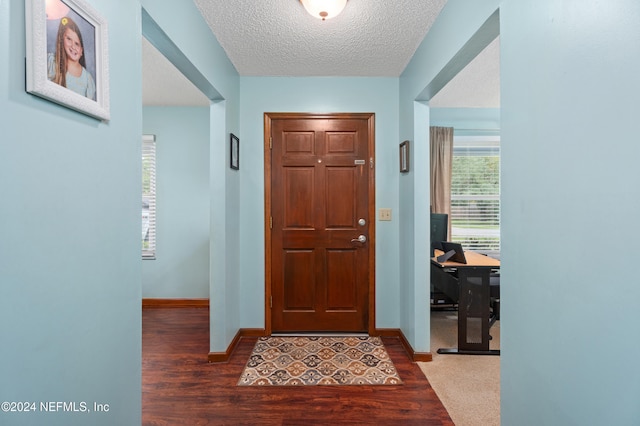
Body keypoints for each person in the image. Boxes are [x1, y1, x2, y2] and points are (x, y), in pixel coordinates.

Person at [47, 16, 96, 100]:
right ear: (62, 40)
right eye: (69, 39)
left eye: (77, 43)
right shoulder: (52, 62)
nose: (73, 46)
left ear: (81, 50)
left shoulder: (88, 80)